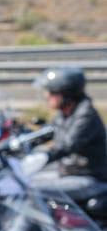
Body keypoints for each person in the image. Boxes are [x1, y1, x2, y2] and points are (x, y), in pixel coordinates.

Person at [32, 66, 107, 202]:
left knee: (29, 188)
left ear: (66, 94)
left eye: (52, 92)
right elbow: (49, 131)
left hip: (89, 178)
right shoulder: (65, 113)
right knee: (23, 179)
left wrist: (43, 156)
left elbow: (67, 145)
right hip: (68, 171)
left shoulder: (86, 115)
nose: (47, 96)